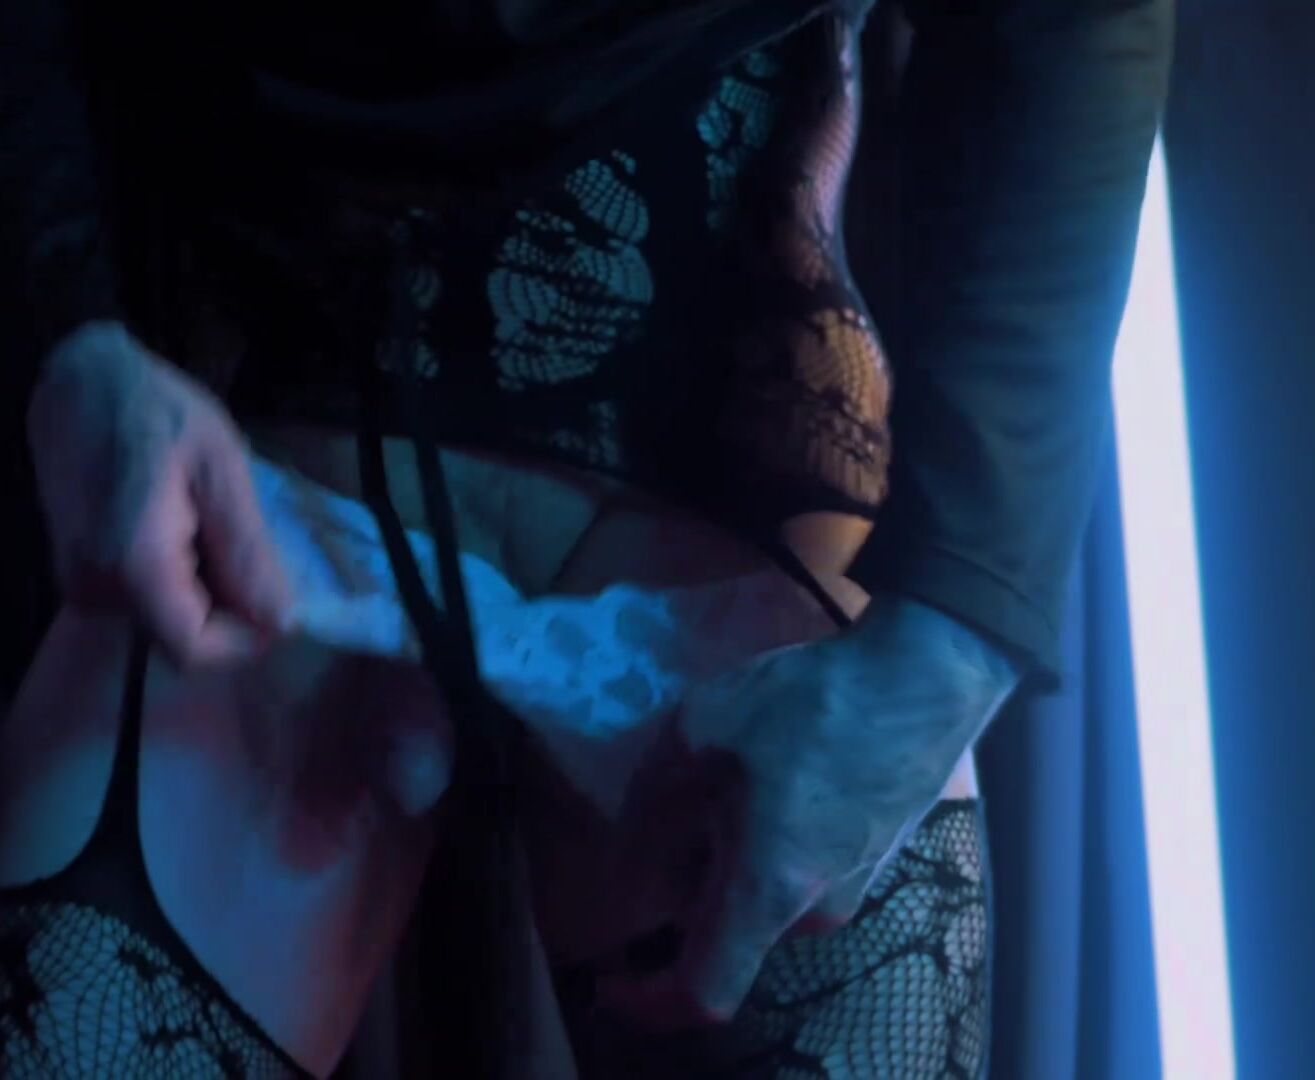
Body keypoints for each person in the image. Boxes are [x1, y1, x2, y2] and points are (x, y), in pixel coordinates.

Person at [0, 1, 1173, 1077]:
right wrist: (68, 330)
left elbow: (1074, 23)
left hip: (718, 497)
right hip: (259, 468)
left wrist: (953, 641)